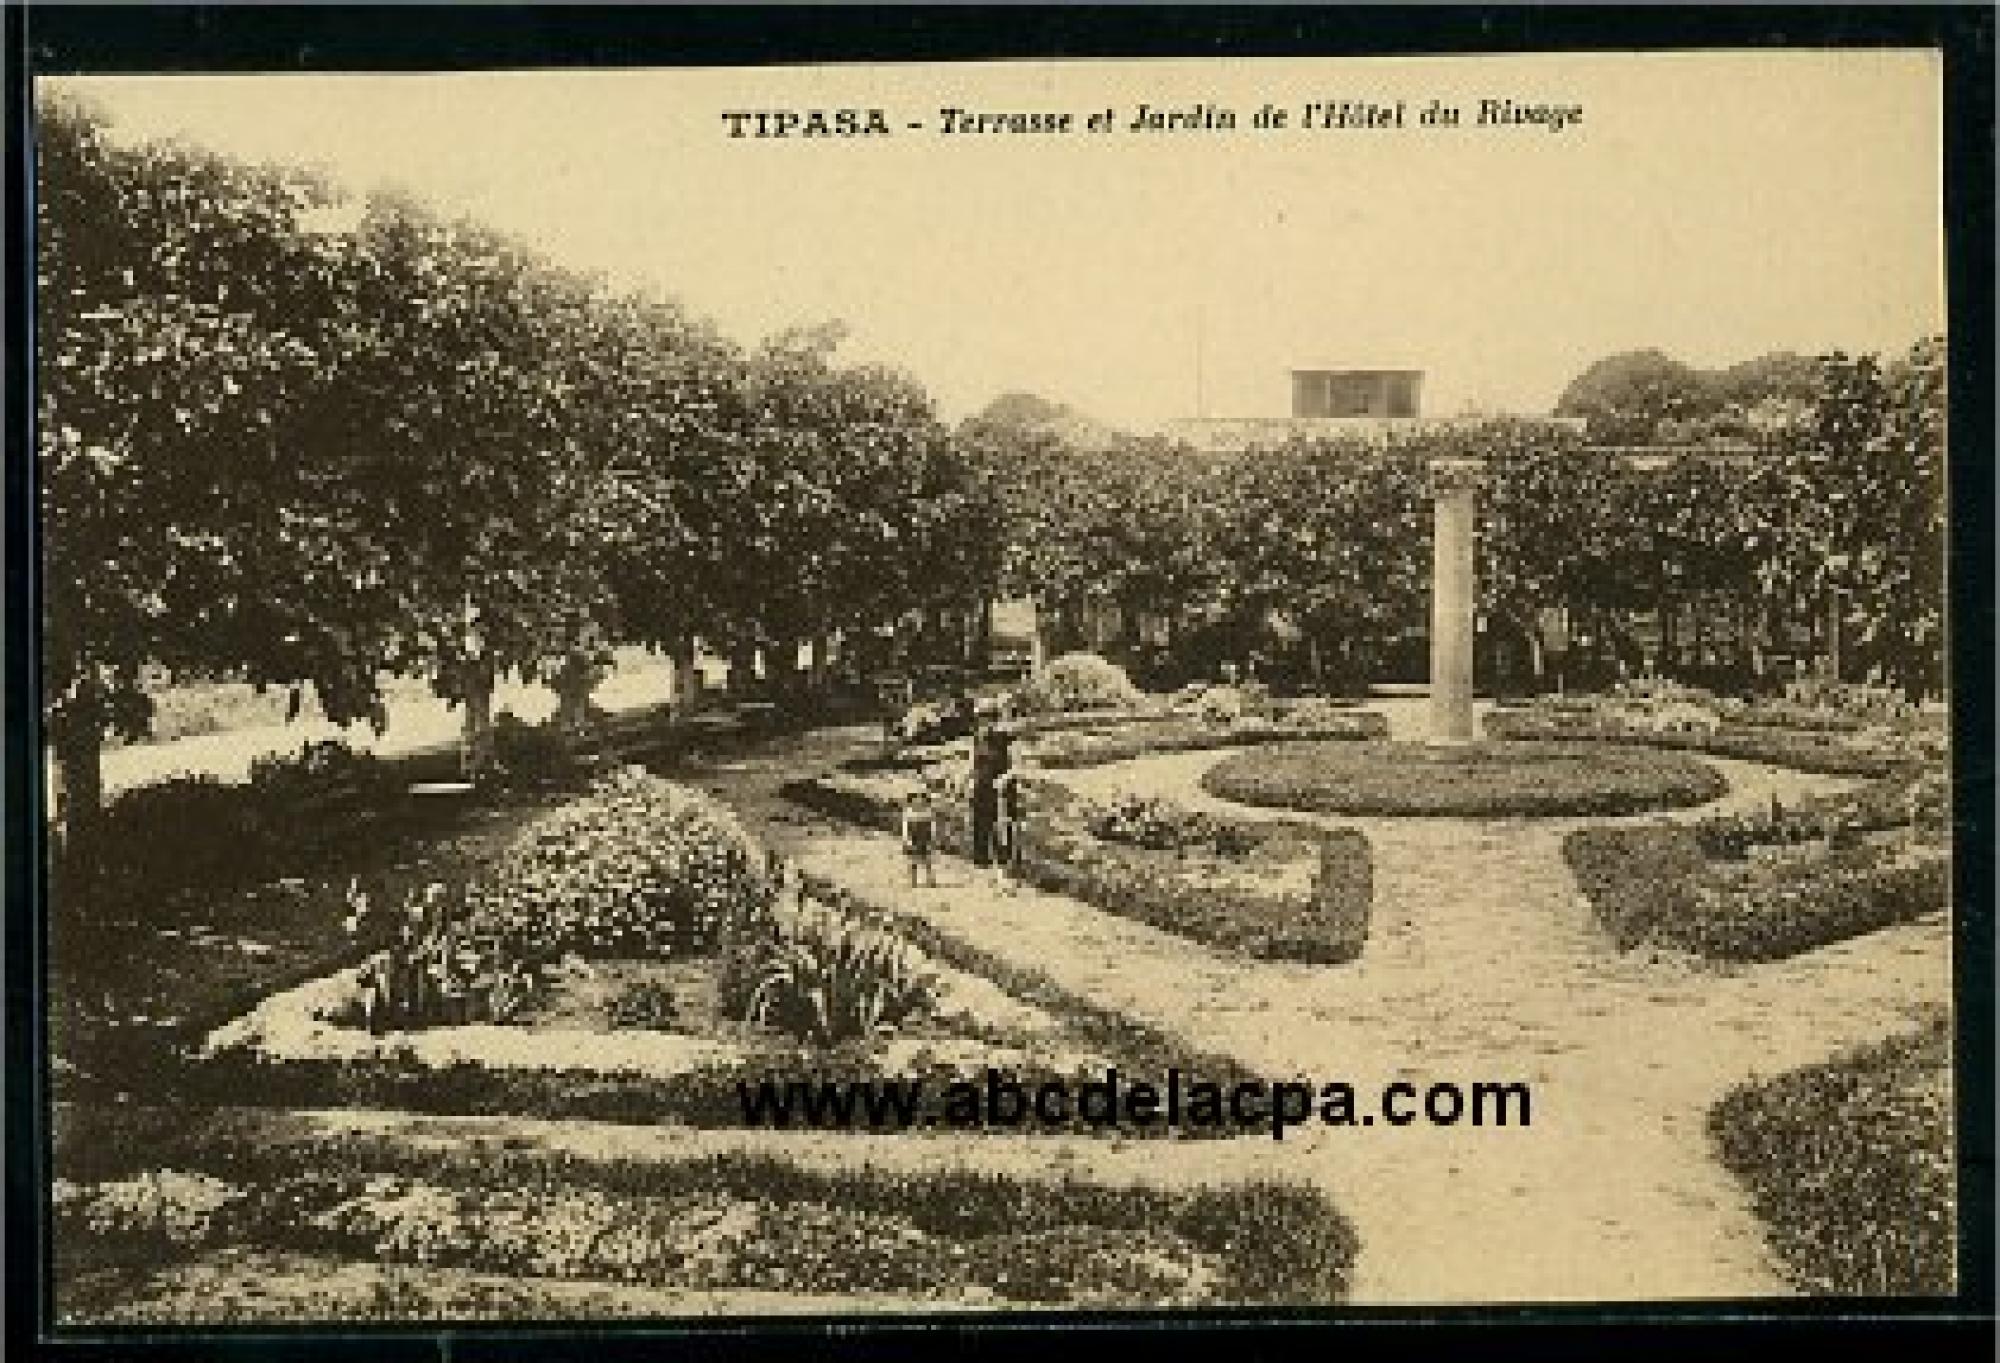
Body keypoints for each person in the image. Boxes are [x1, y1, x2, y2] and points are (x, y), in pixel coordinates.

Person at [900, 785, 939, 888]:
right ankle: (913, 880)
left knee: (927, 860)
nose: (918, 800)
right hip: (913, 836)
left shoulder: (928, 812)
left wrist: (933, 838)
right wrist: (906, 839)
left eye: (921, 797)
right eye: (915, 798)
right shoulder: (908, 812)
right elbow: (905, 826)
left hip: (925, 837)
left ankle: (930, 879)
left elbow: (932, 825)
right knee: (913, 860)